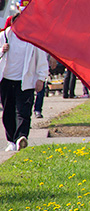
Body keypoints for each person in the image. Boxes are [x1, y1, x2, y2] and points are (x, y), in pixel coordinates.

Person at [1, 14, 49, 152]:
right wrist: (2, 50)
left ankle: (21, 137)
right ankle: (11, 140)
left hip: (25, 81)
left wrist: (41, 78)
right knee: (8, 111)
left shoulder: (33, 39)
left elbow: (41, 60)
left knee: (23, 111)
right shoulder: (4, 36)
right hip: (6, 80)